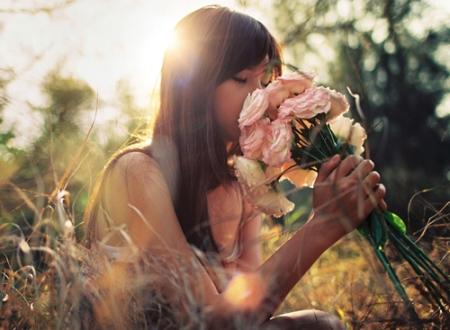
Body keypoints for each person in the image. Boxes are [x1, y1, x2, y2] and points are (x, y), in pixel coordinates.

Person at [83, 5, 387, 329]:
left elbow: (250, 314)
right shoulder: (139, 172)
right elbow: (211, 323)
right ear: (195, 88)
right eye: (242, 78)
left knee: (321, 324)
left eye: (268, 81)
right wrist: (323, 225)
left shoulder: (243, 183)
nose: (262, 96)